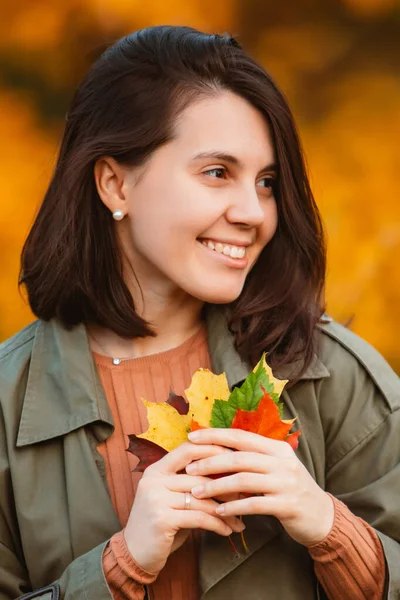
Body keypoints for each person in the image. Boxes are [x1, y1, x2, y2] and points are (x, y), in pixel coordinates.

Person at [0, 25, 398, 600]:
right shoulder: (9, 403)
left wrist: (331, 530)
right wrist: (118, 566)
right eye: (217, 173)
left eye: (267, 182)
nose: (253, 212)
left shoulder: (332, 375)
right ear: (115, 184)